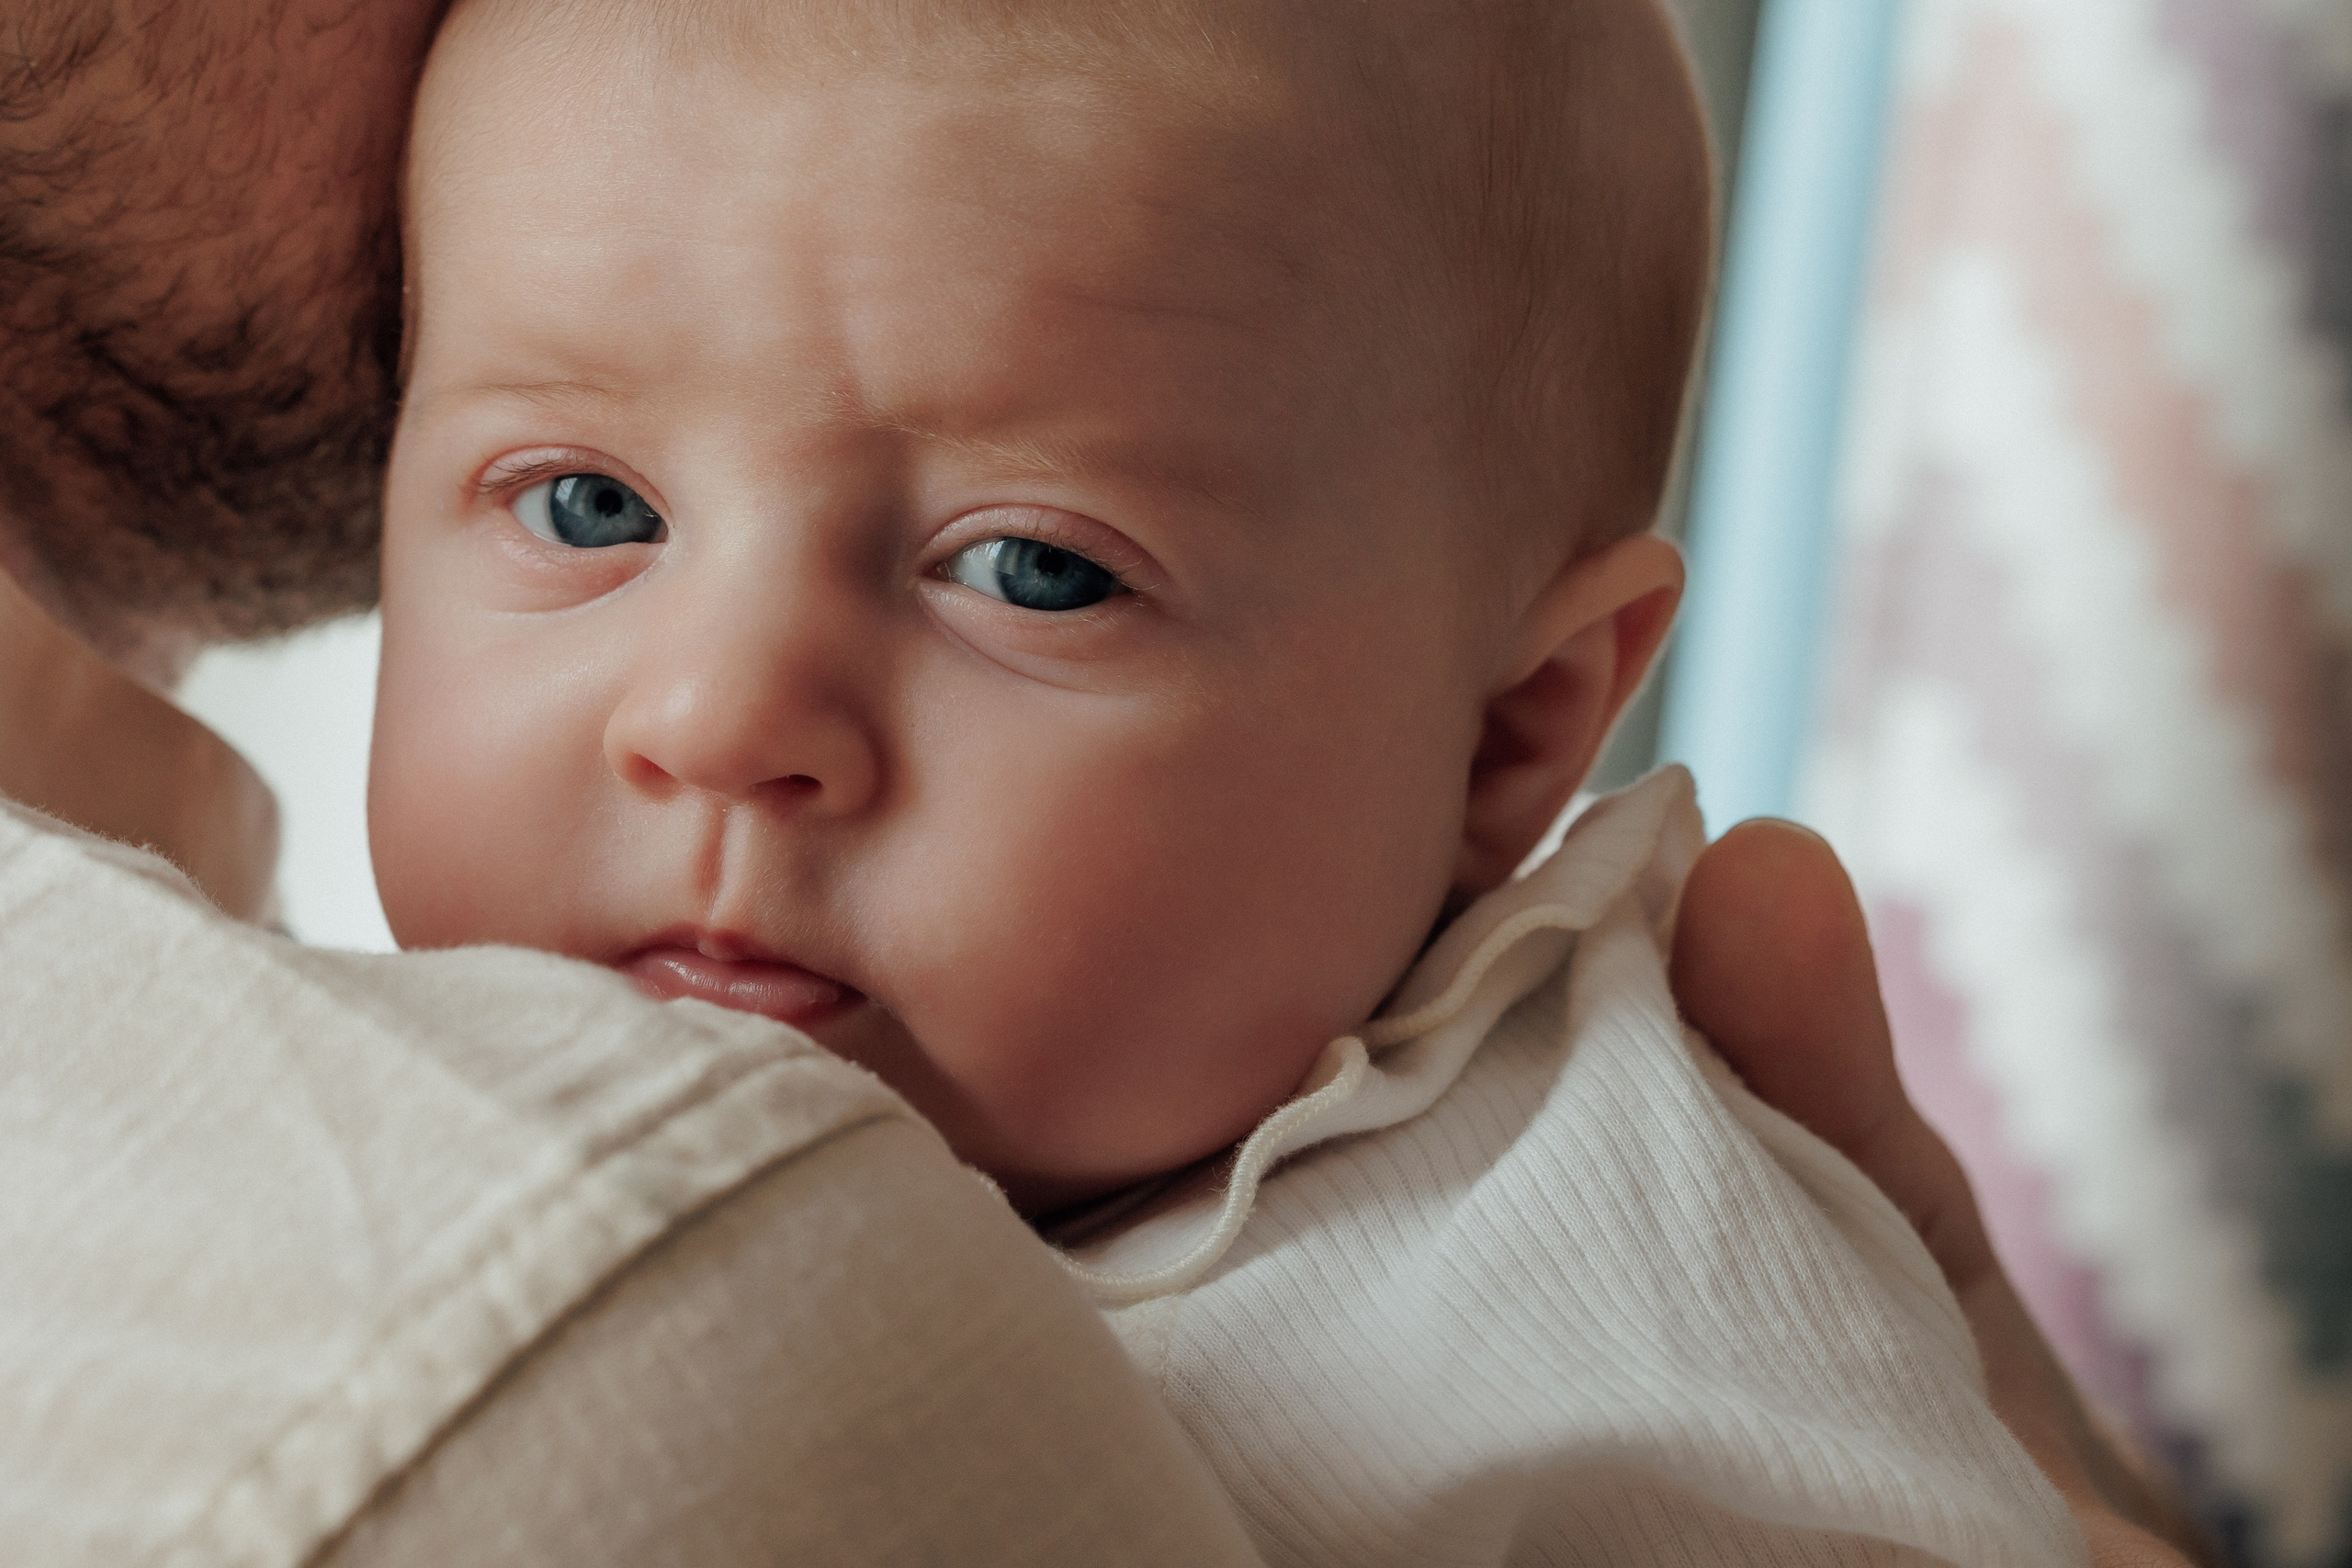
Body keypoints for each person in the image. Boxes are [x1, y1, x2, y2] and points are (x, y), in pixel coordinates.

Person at [0, 0, 2207, 1563]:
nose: (722, 716)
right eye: (583, 509)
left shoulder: (1615, 1294)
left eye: (1031, 569)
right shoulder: (299, 1150)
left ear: (1514, 728)